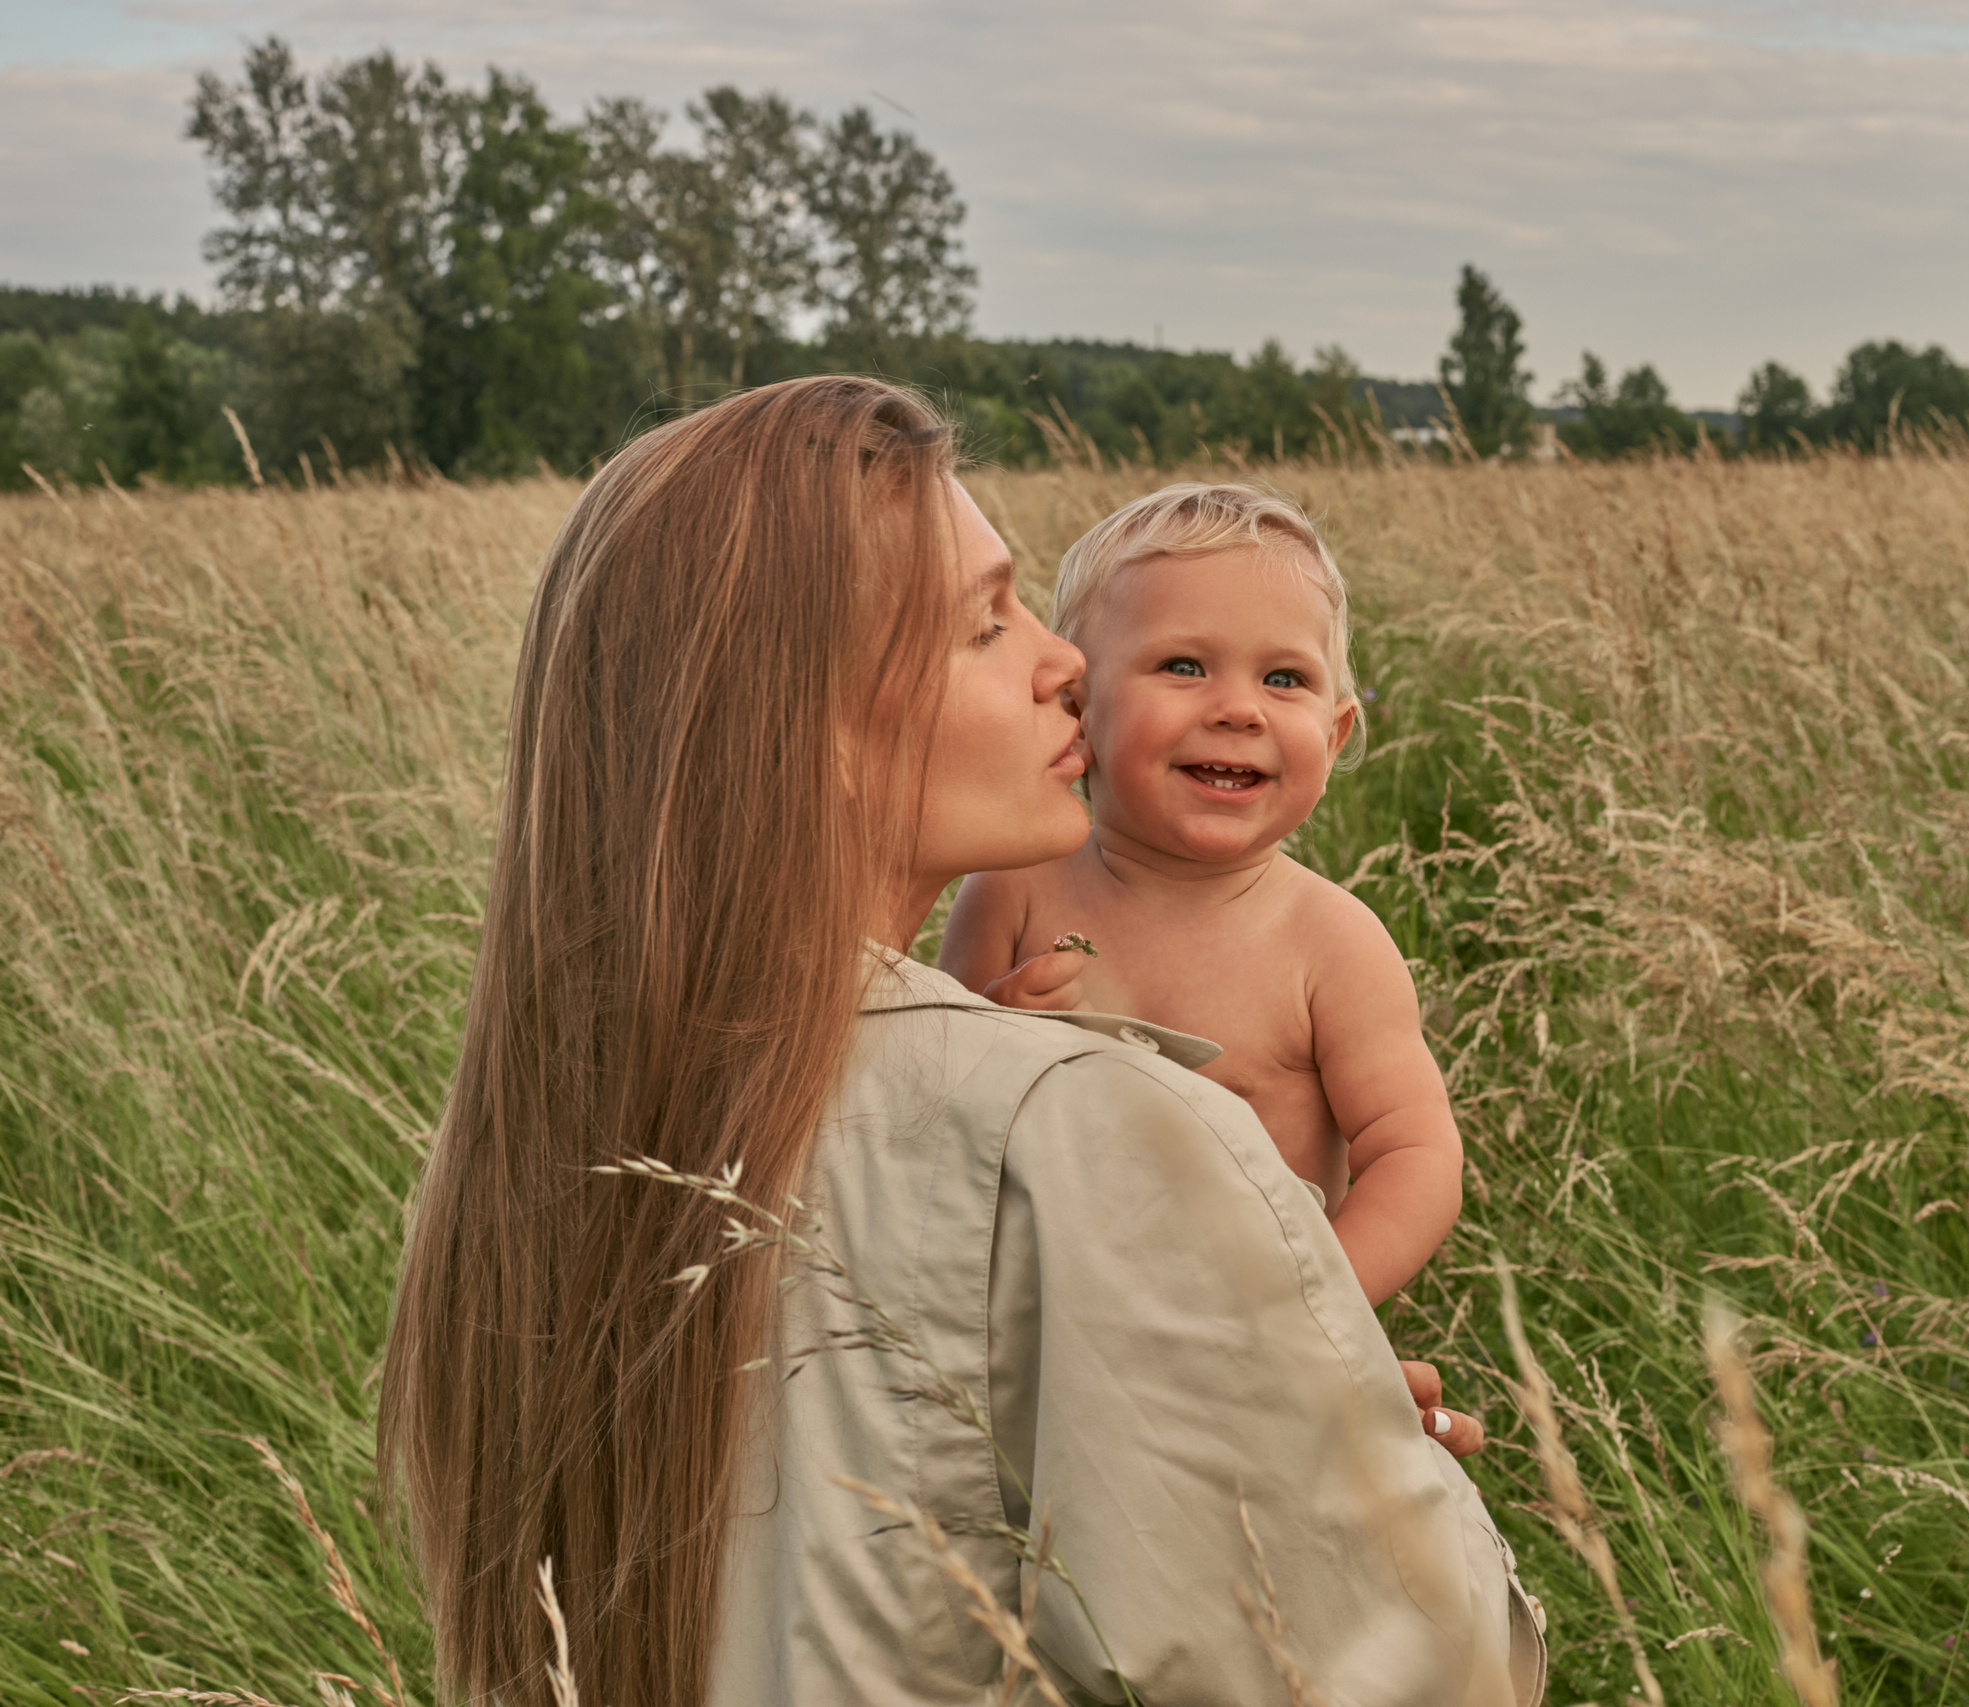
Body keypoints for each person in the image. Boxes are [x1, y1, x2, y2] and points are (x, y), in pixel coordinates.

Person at [377, 378, 1544, 1707]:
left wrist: (1275, 1387)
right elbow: (1411, 1667)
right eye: (985, 625)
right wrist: (1350, 1450)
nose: (1063, 664)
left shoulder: (558, 1123)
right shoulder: (1077, 1119)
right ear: (813, 727)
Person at [938, 484, 1461, 1306]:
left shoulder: (1330, 942)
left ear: (1335, 734)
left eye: (1285, 678)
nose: (1238, 709)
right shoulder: (1011, 891)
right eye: (1184, 666)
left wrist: (1313, 1313)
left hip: (1250, 1336)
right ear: (1080, 705)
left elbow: (1417, 1154)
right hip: (1050, 1334)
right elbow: (936, 1111)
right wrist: (1000, 1029)